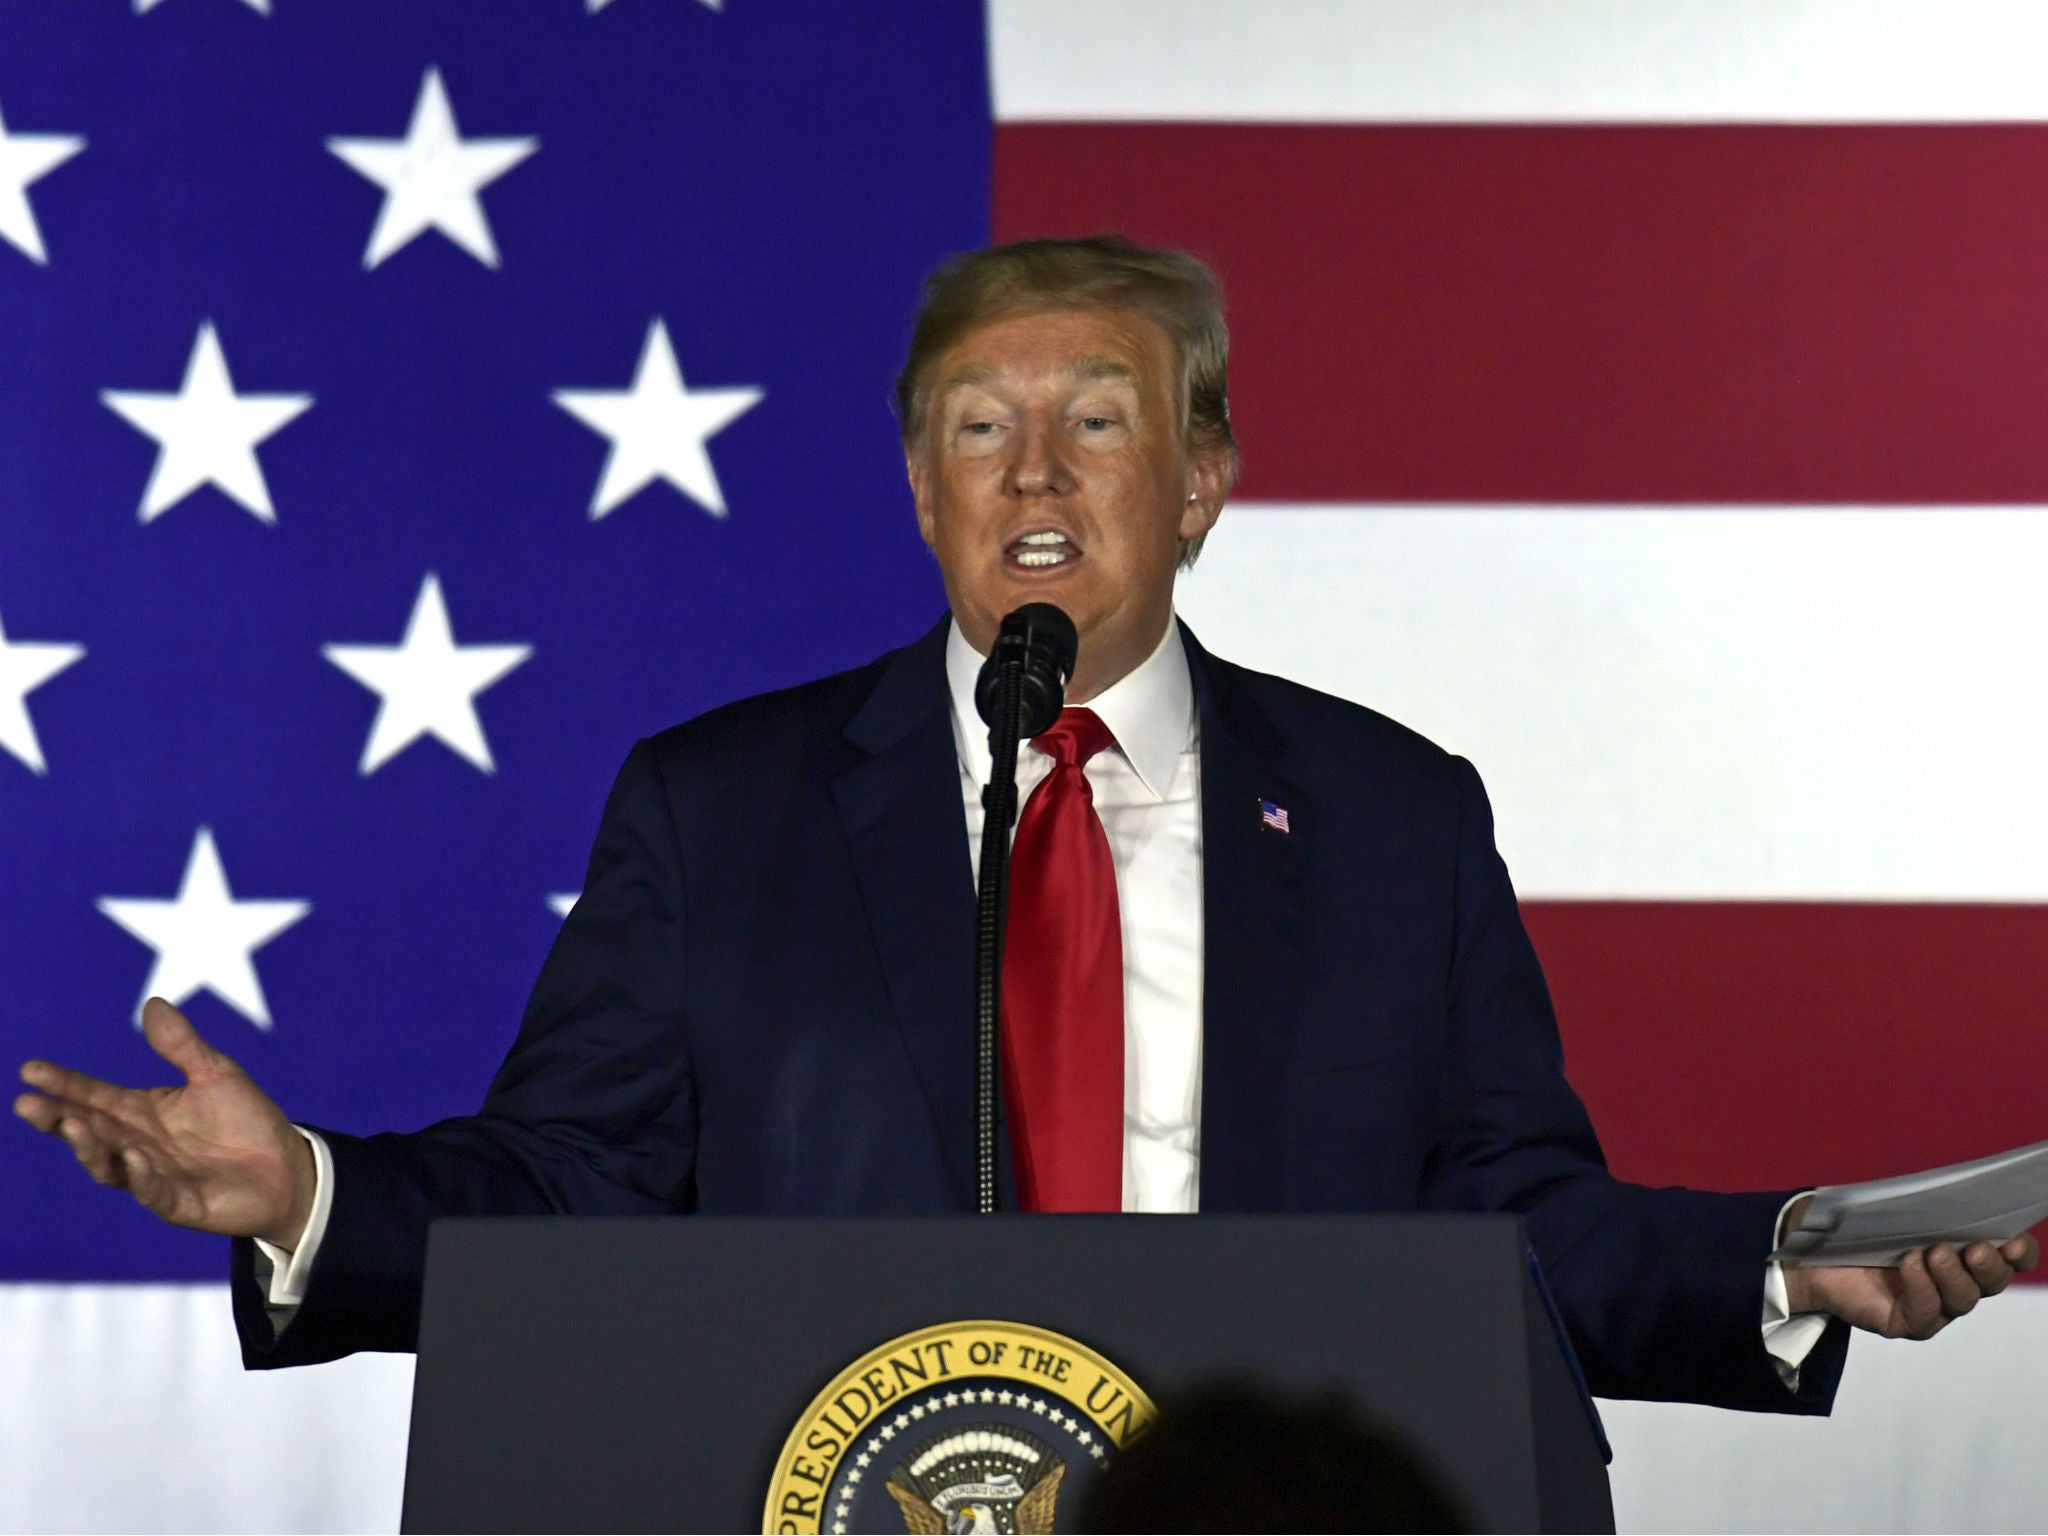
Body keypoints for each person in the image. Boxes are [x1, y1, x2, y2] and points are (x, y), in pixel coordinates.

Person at [15, 237, 2036, 1403]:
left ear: (1207, 475)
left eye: (1099, 420)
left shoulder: (1389, 816)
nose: (1033, 474)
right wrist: (306, 1196)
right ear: (917, 487)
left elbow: (1504, 1227)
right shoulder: (718, 812)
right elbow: (572, 1203)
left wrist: (1781, 1266)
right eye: (978, 428)